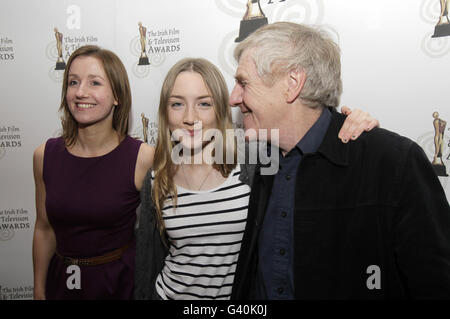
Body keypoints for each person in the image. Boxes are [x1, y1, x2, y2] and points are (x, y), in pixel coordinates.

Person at [229, 21, 450, 299]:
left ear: (292, 83)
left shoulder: (392, 163)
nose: (233, 98)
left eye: (243, 82)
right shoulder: (264, 162)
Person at [134, 57, 379, 300]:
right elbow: (147, 260)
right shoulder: (158, 177)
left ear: (220, 108)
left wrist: (349, 123)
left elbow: (309, 143)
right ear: (165, 111)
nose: (190, 117)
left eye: (204, 104)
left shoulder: (256, 161)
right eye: (177, 104)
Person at [32, 45, 153, 299]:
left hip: (119, 285)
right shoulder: (45, 156)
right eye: (73, 82)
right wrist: (39, 289)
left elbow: (158, 237)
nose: (80, 92)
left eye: (94, 83)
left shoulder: (142, 158)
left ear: (117, 95)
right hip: (61, 284)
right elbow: (44, 229)